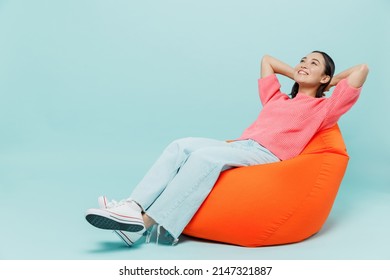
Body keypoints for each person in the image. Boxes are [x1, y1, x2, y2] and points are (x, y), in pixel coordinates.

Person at [85, 51, 369, 246]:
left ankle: (144, 225)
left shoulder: (324, 108)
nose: (304, 64)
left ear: (324, 79)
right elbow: (267, 60)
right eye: (302, 60)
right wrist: (300, 73)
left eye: (314, 63)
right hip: (240, 145)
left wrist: (327, 83)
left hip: (266, 156)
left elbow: (361, 70)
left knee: (204, 157)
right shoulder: (277, 99)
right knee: (180, 145)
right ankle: (132, 209)